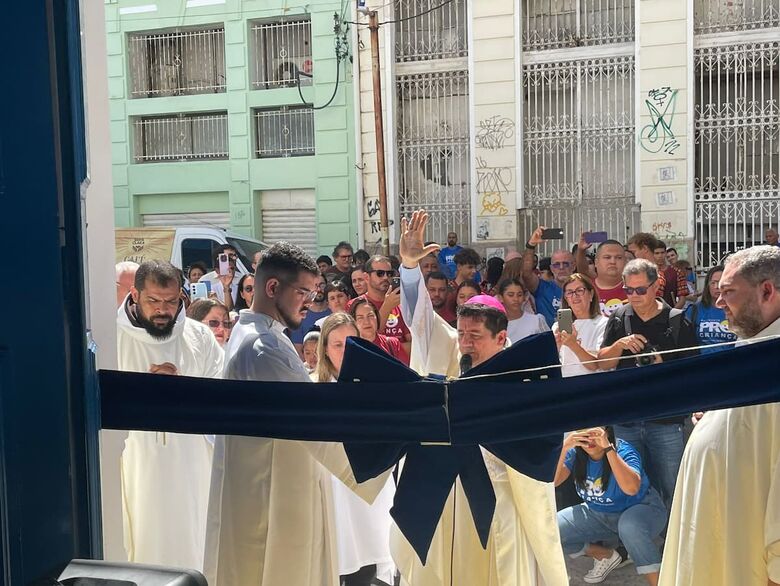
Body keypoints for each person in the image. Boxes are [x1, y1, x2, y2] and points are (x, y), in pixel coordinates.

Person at [396, 209, 568, 586]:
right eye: (462, 332)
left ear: (501, 339)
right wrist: (410, 268)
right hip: (447, 490)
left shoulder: (516, 376)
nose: (466, 341)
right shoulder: (448, 350)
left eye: (475, 335)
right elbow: (421, 319)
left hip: (500, 491)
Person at [204, 242, 388, 586]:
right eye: (303, 291)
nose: (310, 301)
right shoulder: (263, 350)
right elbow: (313, 425)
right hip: (272, 504)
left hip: (273, 489)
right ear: (273, 287)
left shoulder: (259, 336)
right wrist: (382, 455)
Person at [660, 245, 780, 586]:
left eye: (728, 292)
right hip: (719, 538)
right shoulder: (751, 348)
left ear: (767, 291)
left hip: (746, 554)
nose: (718, 302)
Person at [117, 260, 224, 571]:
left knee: (194, 550)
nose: (163, 309)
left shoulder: (199, 338)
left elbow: (221, 398)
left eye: (171, 301)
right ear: (135, 296)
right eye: (153, 301)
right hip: (137, 469)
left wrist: (183, 388)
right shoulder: (111, 337)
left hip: (191, 471)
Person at [598, 259, 698, 512]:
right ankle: (637, 541)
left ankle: (673, 544)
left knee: (672, 487)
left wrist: (662, 364)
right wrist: (619, 345)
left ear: (656, 287)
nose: (633, 296)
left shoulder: (677, 321)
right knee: (630, 487)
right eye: (628, 290)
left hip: (666, 420)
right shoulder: (620, 318)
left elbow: (693, 373)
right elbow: (604, 364)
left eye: (640, 289)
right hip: (627, 419)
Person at [313, 313, 396, 586]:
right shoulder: (312, 388)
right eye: (337, 344)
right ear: (324, 348)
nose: (345, 350)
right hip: (333, 486)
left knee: (373, 554)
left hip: (371, 483)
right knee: (341, 558)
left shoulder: (377, 384)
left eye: (351, 342)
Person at [556, 427, 666, 585]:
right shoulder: (575, 453)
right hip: (599, 514)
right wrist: (565, 447)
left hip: (642, 510)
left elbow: (631, 488)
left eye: (595, 433)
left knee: (630, 526)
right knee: (552, 528)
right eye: (584, 435)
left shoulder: (624, 450)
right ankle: (604, 555)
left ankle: (660, 582)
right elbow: (554, 481)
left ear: (607, 431)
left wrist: (608, 448)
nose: (590, 440)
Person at [346, 255, 411, 354]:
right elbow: (364, 341)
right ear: (366, 277)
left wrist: (390, 347)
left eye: (389, 273)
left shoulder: (401, 303)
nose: (386, 277)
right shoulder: (355, 305)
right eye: (380, 273)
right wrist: (387, 307)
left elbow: (413, 345)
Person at [553, 274, 609, 378]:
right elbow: (552, 365)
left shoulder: (604, 323)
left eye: (579, 290)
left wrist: (573, 345)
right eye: (569, 292)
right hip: (566, 384)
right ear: (566, 299)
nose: (574, 296)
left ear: (591, 294)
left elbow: (597, 365)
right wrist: (556, 346)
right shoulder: (557, 326)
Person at [523, 226, 576, 327]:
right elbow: (526, 273)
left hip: (576, 338)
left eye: (565, 264)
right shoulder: (542, 288)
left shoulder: (581, 289)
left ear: (574, 266)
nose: (561, 268)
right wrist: (531, 245)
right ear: (551, 268)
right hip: (548, 338)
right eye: (557, 264)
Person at [684, 265, 737, 354]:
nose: (717, 287)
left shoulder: (738, 310)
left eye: (720, 282)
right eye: (713, 283)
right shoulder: (694, 310)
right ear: (707, 285)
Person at [576, 236, 628, 316]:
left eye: (618, 258)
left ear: (625, 262)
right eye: (607, 257)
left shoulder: (635, 289)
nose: (613, 261)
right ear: (596, 262)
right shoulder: (586, 289)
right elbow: (583, 270)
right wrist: (581, 250)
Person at [349, 297, 410, 365]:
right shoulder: (349, 349)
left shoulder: (392, 344)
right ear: (354, 322)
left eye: (370, 316)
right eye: (360, 317)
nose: (366, 322)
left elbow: (406, 373)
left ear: (377, 318)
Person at [496, 277, 548, 343]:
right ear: (500, 298)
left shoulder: (536, 320)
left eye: (519, 295)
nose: (516, 299)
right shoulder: (496, 325)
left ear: (524, 297)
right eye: (511, 295)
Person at [290, 273, 330, 354]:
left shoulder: (334, 311)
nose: (318, 290)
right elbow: (298, 349)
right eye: (315, 286)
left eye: (322, 285)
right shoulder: (300, 315)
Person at [198, 244, 240, 311]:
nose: (233, 258)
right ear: (219, 258)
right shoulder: (205, 280)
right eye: (229, 256)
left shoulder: (242, 278)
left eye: (234, 255)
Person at [654, 241, 688, 309]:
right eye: (657, 253)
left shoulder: (677, 272)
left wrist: (672, 313)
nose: (660, 256)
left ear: (665, 253)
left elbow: (682, 299)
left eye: (662, 253)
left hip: (669, 311)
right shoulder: (647, 272)